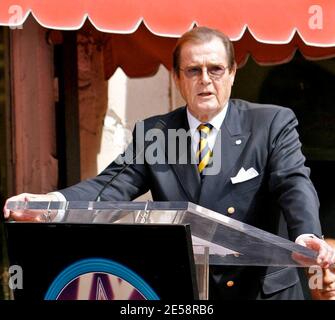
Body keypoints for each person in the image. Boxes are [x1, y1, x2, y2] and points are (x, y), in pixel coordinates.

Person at [3, 26, 335, 300]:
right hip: (188, 293)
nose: (205, 79)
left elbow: (293, 183)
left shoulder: (270, 123)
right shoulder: (157, 133)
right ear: (177, 77)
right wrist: (50, 203)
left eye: (215, 69)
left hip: (261, 291)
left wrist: (306, 233)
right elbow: (109, 187)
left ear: (232, 73)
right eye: (193, 70)